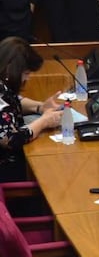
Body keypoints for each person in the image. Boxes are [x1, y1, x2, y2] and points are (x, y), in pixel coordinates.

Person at [0, 37, 62, 182]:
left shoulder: (3, 86)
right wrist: (43, 122)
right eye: (26, 73)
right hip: (6, 170)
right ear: (11, 68)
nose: (27, 79)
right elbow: (10, 139)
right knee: (51, 171)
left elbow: (13, 101)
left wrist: (40, 107)